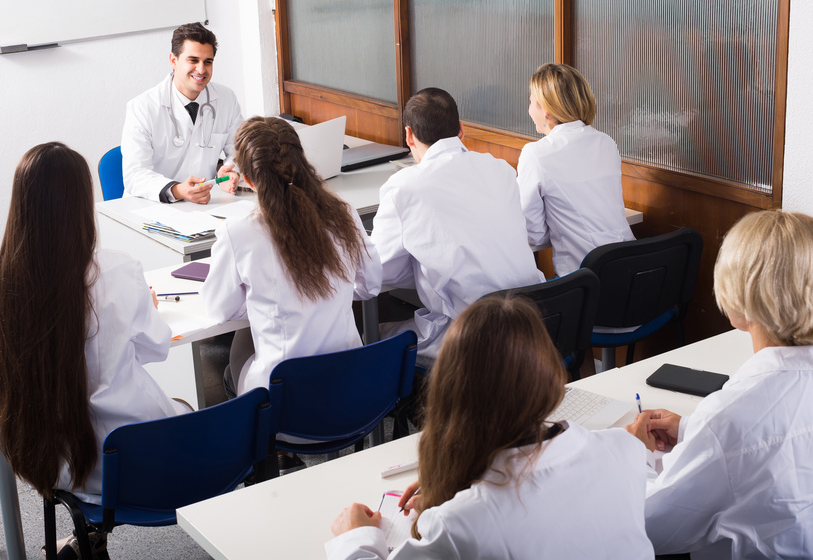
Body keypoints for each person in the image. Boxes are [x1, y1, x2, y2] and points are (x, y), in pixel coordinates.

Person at [0, 142, 188, 557]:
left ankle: (88, 537)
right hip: (142, 462)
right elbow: (156, 347)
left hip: (55, 461)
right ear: (81, 203)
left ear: (20, 202)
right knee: (182, 408)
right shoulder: (118, 270)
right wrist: (144, 307)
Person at [327, 297, 654, 559]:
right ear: (549, 372)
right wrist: (454, 485)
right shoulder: (626, 450)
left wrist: (355, 538)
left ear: (448, 390)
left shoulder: (457, 524)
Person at [626, 210, 813, 559]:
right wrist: (694, 429)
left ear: (741, 299)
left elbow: (648, 527)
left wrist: (635, 457)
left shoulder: (729, 419)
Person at [201, 116, 381, 398]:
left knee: (235, 354)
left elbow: (217, 310)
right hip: (350, 394)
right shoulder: (343, 213)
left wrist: (265, 303)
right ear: (302, 162)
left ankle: (256, 437)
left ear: (247, 179)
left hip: (286, 404)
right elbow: (371, 284)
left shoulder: (238, 232)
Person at [369, 87, 544, 367]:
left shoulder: (404, 187)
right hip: (533, 323)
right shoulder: (501, 169)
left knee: (373, 335)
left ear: (409, 135)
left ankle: (420, 410)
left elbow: (376, 274)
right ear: (461, 130)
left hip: (472, 337)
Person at [518, 63, 635, 277]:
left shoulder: (536, 153)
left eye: (531, 102)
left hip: (589, 281)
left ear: (546, 110)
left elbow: (531, 234)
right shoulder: (606, 143)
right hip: (631, 269)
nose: (528, 109)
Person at [122, 22, 243, 204]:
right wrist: (177, 190)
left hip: (205, 205)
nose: (201, 70)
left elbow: (241, 150)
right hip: (151, 207)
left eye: (207, 62)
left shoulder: (226, 99)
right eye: (193, 60)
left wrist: (231, 171)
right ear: (173, 60)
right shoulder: (143, 107)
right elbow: (135, 175)